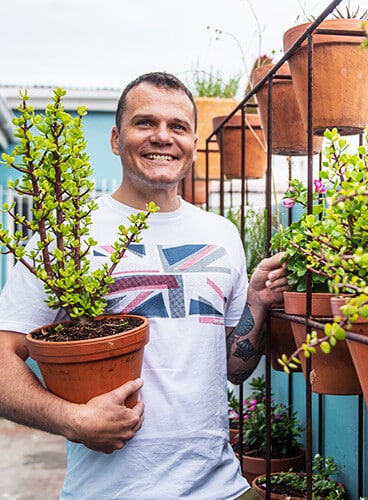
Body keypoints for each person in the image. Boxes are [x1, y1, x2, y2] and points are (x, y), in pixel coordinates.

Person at [0, 72, 288, 499]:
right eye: (145, 123)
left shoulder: (222, 234)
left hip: (221, 487)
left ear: (192, 144)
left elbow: (233, 369)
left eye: (178, 127)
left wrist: (257, 302)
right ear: (116, 139)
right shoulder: (66, 236)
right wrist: (72, 420)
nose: (162, 137)